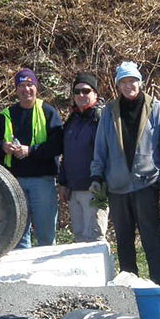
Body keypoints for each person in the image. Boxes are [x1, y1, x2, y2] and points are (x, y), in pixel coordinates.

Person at [90, 61, 160, 285]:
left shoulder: (157, 108)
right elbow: (100, 147)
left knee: (152, 239)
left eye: (133, 80)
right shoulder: (109, 112)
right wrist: (96, 175)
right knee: (124, 240)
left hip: (146, 183)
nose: (129, 85)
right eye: (124, 81)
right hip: (117, 186)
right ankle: (129, 286)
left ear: (140, 82)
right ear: (118, 85)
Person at [0, 68, 64, 249]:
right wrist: (3, 146)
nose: (26, 90)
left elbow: (57, 145)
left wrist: (30, 150)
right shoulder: (6, 115)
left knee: (46, 236)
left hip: (42, 181)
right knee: (18, 236)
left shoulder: (48, 112)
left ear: (36, 87)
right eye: (22, 85)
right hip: (14, 181)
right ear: (16, 89)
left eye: (30, 85)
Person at [58, 72, 107, 243]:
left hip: (95, 188)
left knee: (95, 237)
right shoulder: (72, 119)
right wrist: (63, 183)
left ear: (95, 94)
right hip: (73, 189)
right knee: (79, 238)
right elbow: (66, 153)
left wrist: (102, 182)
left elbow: (108, 154)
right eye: (77, 92)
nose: (81, 95)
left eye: (86, 91)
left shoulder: (102, 118)